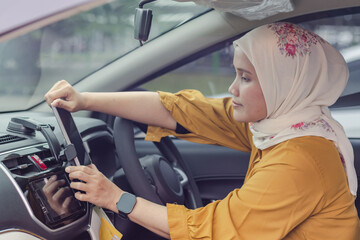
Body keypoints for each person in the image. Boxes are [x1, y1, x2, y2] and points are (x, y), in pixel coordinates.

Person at [45, 22, 360, 239]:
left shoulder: (300, 158)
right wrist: (84, 99)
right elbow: (179, 110)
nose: (232, 88)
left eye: (246, 77)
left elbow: (217, 231)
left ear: (284, 85)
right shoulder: (283, 123)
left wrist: (115, 198)